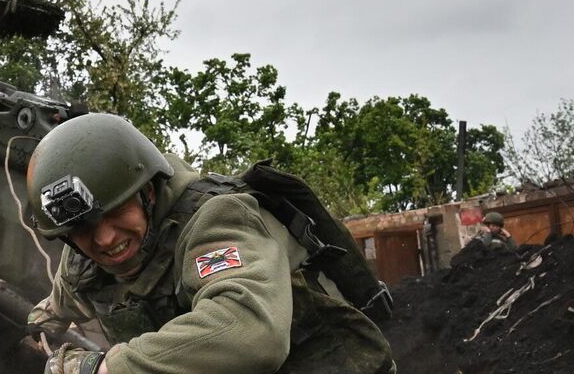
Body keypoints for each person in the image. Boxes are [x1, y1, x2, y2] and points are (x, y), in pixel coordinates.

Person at [22, 113, 396, 374]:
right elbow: (65, 299)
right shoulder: (84, 260)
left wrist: (105, 367)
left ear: (148, 193)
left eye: (117, 212)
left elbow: (252, 332)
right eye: (83, 228)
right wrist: (36, 322)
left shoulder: (218, 220)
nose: (105, 238)